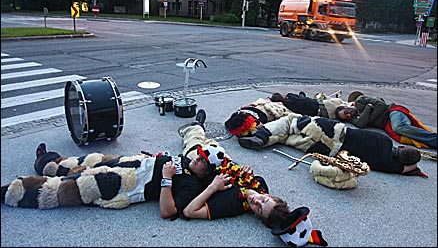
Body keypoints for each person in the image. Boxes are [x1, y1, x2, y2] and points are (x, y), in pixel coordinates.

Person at [1, 136, 220, 219]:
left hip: (126, 184)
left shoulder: (192, 186)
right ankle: (46, 162)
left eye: (202, 162)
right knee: (84, 162)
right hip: (131, 162)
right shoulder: (187, 160)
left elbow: (168, 211)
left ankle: (12, 192)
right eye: (199, 155)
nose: (197, 160)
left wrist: (166, 179)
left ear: (207, 172)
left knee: (70, 188)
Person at [178, 109, 290, 227]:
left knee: (194, 140)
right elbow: (242, 175)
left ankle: (196, 126)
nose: (257, 201)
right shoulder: (260, 186)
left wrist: (213, 187)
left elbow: (189, 211)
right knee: (212, 142)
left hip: (204, 167)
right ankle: (202, 132)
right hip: (222, 159)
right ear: (269, 195)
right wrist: (247, 171)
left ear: (257, 216)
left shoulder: (232, 204)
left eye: (259, 209)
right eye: (264, 200)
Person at [236, 112, 426, 178]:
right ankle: (263, 140)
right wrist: (413, 169)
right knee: (288, 138)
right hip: (327, 149)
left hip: (332, 130)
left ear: (400, 148)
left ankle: (261, 136)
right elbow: (408, 168)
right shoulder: (386, 164)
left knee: (290, 122)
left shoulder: (384, 140)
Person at [224, 92, 349, 148]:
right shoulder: (249, 117)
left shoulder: (246, 113)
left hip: (271, 109)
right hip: (275, 110)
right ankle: (261, 139)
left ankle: (262, 139)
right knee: (287, 128)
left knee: (286, 129)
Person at [334, 94, 437, 149]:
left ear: (347, 106)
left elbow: (381, 105)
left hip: (392, 112)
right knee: (400, 134)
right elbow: (361, 124)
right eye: (346, 117)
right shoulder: (354, 119)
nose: (349, 115)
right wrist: (368, 109)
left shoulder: (361, 100)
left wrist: (366, 118)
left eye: (347, 111)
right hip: (387, 123)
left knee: (399, 128)